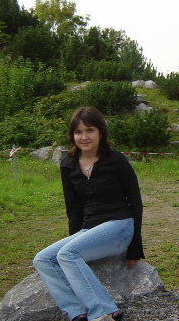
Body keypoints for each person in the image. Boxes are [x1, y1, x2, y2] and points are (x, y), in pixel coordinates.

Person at [33, 107, 144, 321]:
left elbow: (136, 203)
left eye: (90, 130)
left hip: (120, 226)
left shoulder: (116, 160)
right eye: (78, 132)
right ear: (72, 135)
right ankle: (77, 312)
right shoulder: (68, 165)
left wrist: (135, 249)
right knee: (43, 259)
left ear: (101, 132)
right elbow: (73, 209)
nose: (84, 137)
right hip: (89, 229)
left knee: (67, 254)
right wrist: (77, 243)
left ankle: (103, 311)